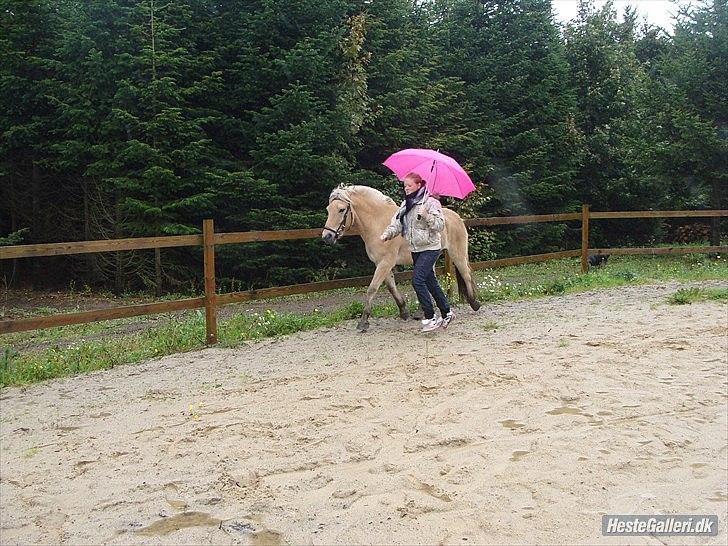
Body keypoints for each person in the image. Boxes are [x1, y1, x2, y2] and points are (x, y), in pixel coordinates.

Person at [380, 173, 454, 332]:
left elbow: (440, 225)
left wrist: (426, 215)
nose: (406, 188)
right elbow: (397, 224)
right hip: (415, 248)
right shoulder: (405, 204)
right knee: (430, 282)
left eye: (409, 185)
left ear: (419, 185)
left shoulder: (431, 202)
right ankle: (447, 312)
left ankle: (430, 316)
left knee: (417, 280)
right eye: (405, 186)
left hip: (430, 247)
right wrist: (387, 234)